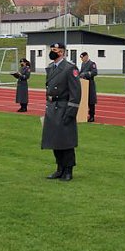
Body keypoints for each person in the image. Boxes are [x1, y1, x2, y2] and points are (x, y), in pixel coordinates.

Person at [41, 42, 80, 181]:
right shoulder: (51, 67)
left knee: (66, 141)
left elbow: (75, 93)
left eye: (55, 50)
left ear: (62, 52)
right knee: (54, 140)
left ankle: (68, 170)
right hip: (52, 107)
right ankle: (59, 168)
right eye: (51, 49)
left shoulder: (69, 68)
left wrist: (71, 112)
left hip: (63, 107)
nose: (52, 51)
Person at [78, 52, 97, 121]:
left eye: (82, 57)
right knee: (84, 100)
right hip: (84, 84)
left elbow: (95, 72)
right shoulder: (83, 64)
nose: (82, 59)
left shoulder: (92, 64)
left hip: (90, 84)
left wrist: (85, 74)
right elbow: (80, 72)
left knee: (91, 100)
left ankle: (92, 116)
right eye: (81, 58)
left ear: (86, 56)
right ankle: (83, 114)